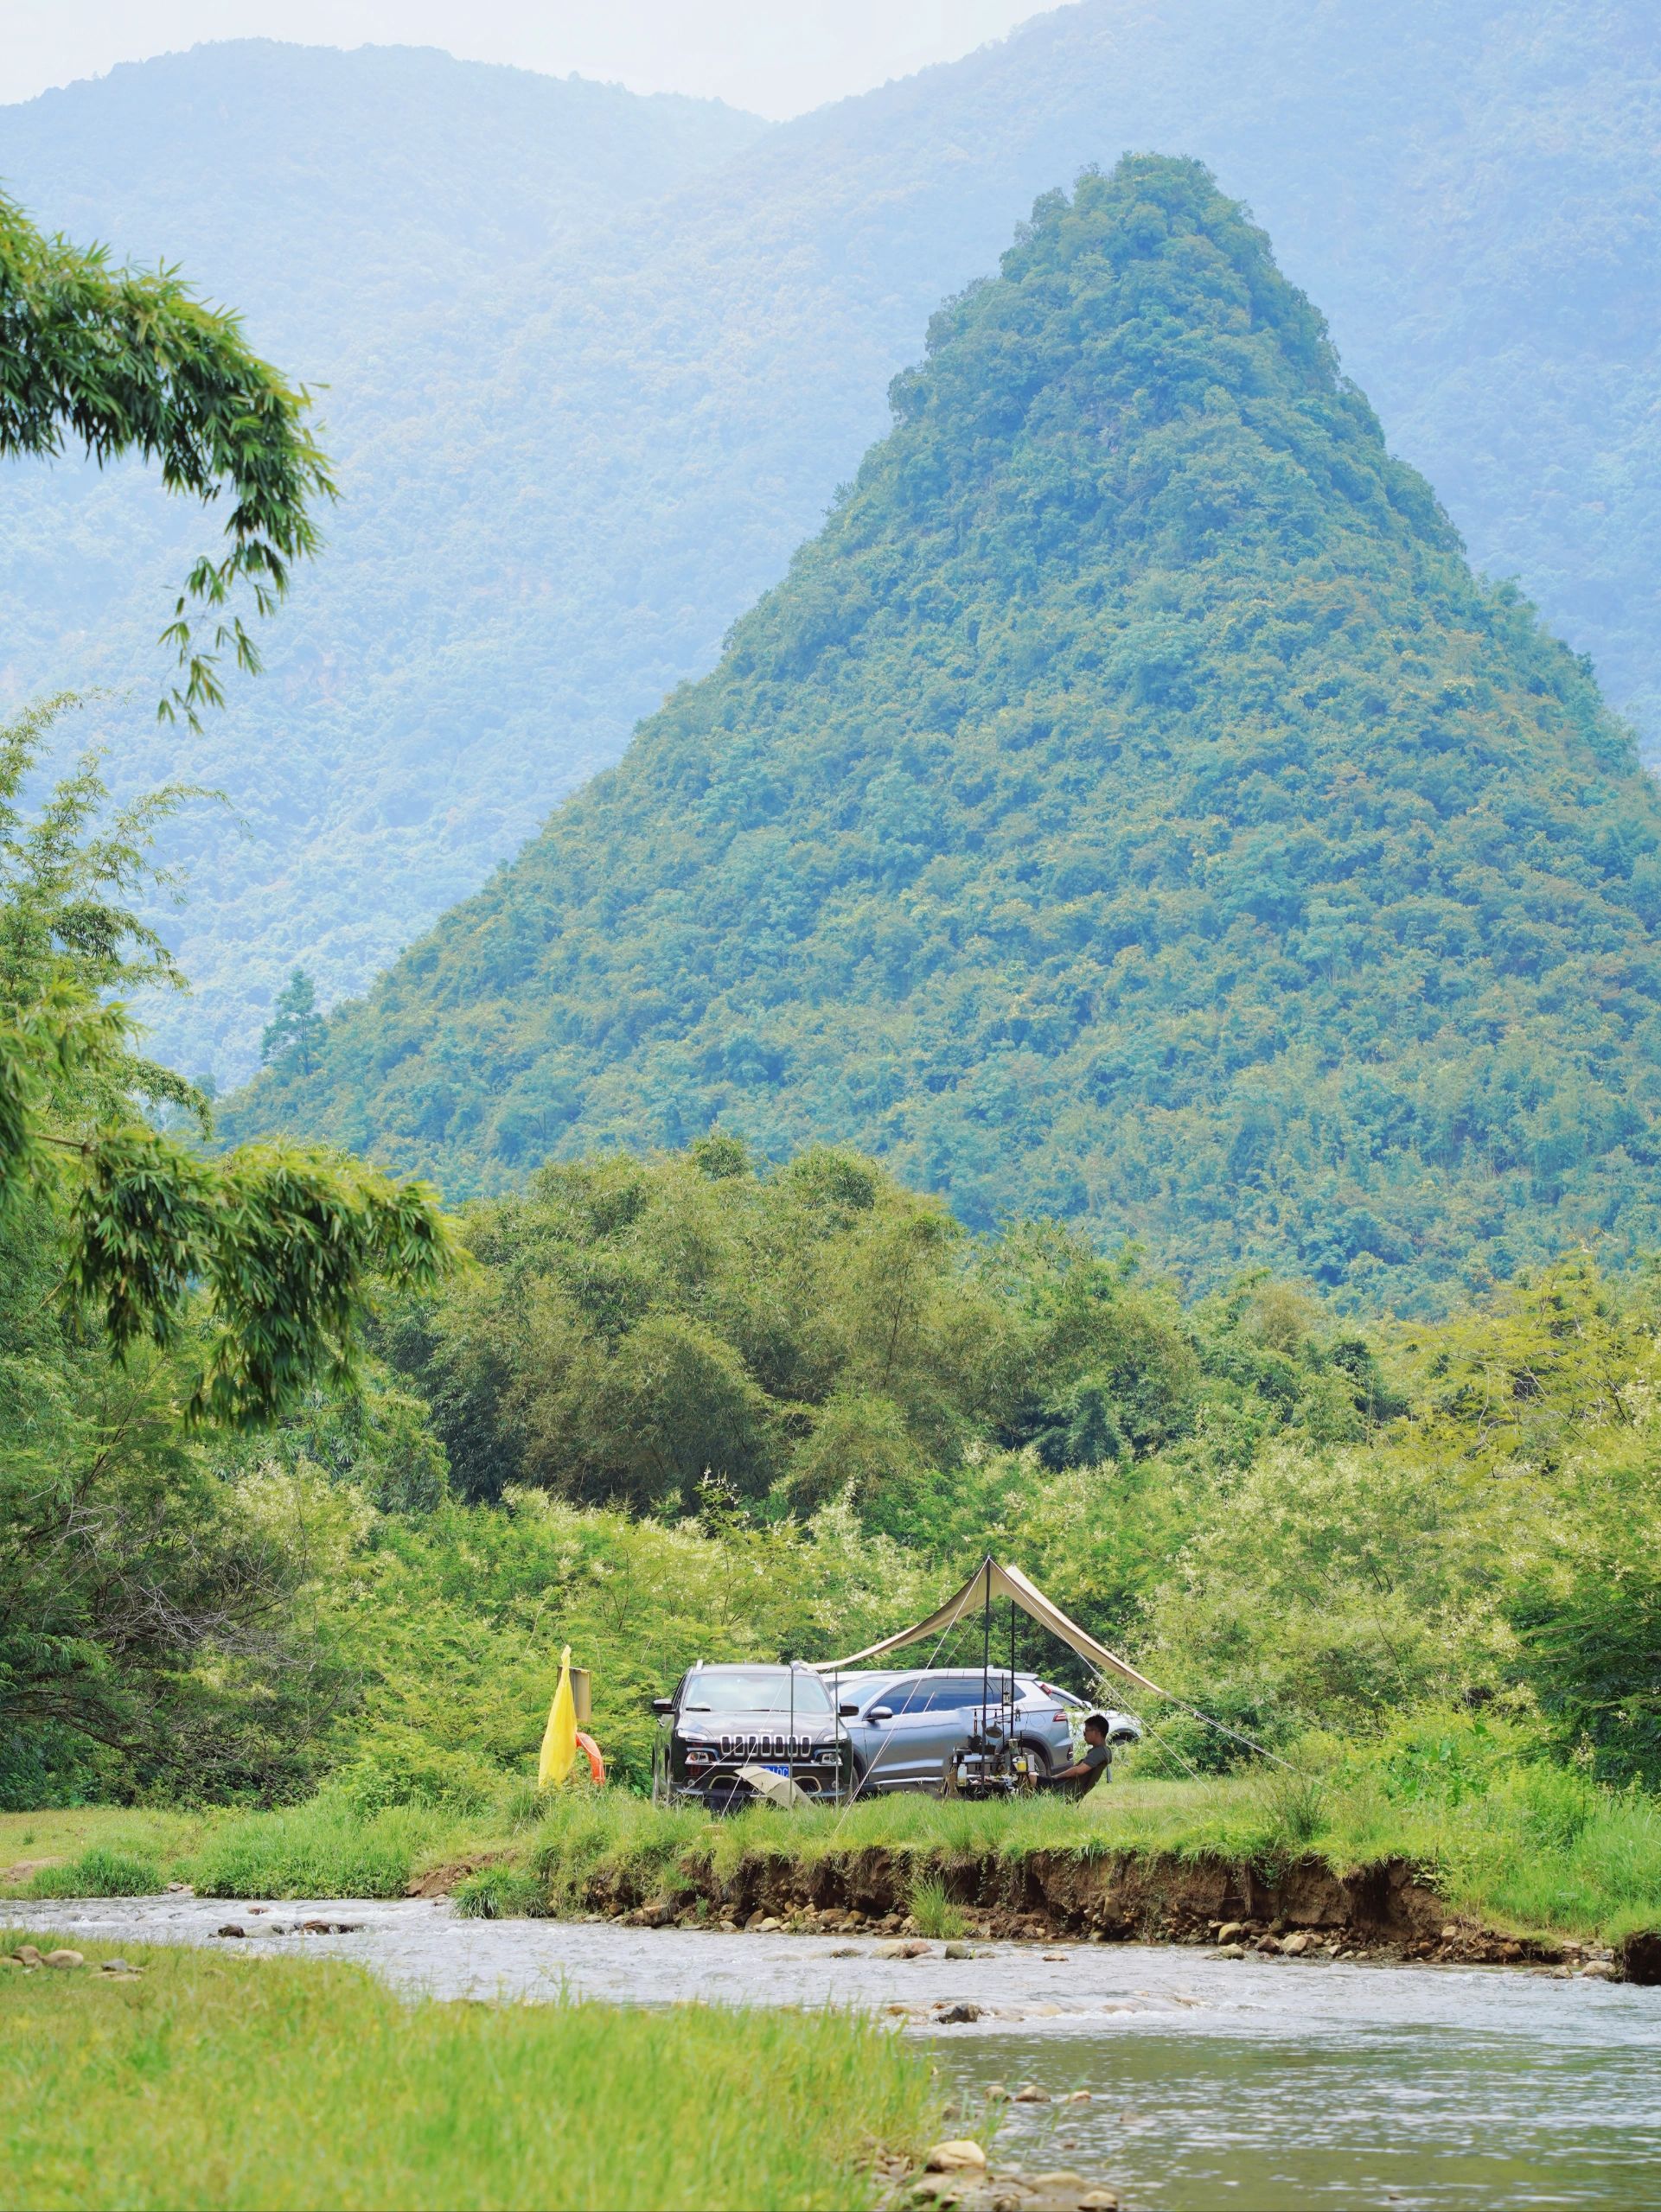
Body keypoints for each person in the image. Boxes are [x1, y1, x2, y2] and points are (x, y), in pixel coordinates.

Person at [1042, 1712, 1113, 1798]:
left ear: (1096, 1732)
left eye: (1086, 1731)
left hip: (1062, 1789)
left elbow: (1078, 1770)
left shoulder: (1099, 1752)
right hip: (1065, 1787)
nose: (1084, 1734)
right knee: (1032, 1776)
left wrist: (1055, 1777)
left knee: (1029, 1777)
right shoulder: (1106, 1751)